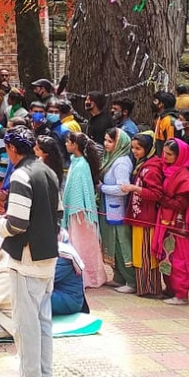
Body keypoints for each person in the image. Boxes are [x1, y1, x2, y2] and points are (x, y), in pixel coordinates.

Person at [0, 127, 61, 377]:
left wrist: (0, 225)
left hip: (26, 259)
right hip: (48, 257)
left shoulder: (21, 175)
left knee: (26, 326)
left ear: (12, 149)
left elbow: (17, 223)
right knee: (43, 323)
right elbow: (58, 213)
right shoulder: (49, 172)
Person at [120, 133, 165, 297]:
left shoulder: (152, 168)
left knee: (146, 254)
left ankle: (151, 288)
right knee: (139, 253)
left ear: (148, 149)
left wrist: (134, 188)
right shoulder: (143, 165)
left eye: (138, 148)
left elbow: (156, 194)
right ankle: (143, 287)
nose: (134, 151)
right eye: (133, 148)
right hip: (139, 216)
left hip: (147, 217)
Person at [63, 132, 107, 289]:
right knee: (79, 243)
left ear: (75, 145)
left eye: (68, 142)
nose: (66, 144)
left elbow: (80, 191)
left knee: (83, 245)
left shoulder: (81, 165)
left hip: (80, 213)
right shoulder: (76, 161)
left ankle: (89, 277)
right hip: (76, 212)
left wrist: (78, 209)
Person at [156, 139, 189, 305]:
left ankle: (181, 293)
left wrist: (161, 198)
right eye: (164, 153)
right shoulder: (167, 170)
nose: (165, 157)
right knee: (166, 255)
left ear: (180, 156)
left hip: (177, 224)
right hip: (165, 220)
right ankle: (170, 289)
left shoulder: (183, 176)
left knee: (178, 259)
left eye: (170, 154)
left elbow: (181, 203)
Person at [99, 128, 135, 293]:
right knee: (111, 242)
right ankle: (118, 277)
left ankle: (131, 281)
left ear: (119, 143)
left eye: (110, 141)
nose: (106, 144)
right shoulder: (111, 158)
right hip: (110, 207)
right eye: (105, 140)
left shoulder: (121, 163)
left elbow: (123, 189)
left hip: (117, 209)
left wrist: (102, 187)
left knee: (121, 243)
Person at [52, 237, 88, 316]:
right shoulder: (58, 249)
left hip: (69, 301)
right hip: (59, 295)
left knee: (30, 296)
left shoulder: (64, 256)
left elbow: (44, 279)